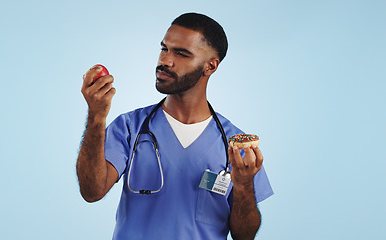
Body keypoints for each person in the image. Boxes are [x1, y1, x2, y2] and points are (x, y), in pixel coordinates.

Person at [77, 12, 273, 240]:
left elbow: (244, 235)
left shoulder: (234, 144)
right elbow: (91, 192)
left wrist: (243, 184)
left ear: (210, 66)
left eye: (181, 54)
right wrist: (96, 117)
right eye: (164, 49)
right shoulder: (130, 127)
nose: (165, 61)